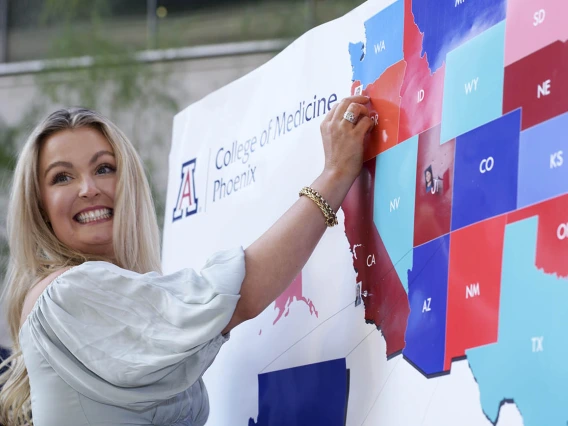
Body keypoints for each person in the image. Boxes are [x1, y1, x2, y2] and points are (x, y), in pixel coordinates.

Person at [0, 94, 373, 426]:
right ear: (40, 207)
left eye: (104, 168)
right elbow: (239, 295)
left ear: (129, 182)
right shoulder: (68, 293)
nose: (89, 188)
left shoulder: (120, 292)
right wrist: (335, 174)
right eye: (62, 177)